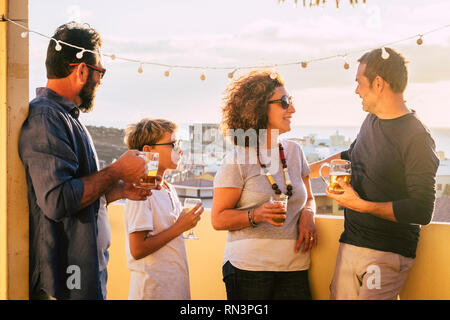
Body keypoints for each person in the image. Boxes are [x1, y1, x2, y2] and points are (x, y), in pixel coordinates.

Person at [19, 22, 154, 300]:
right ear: (81, 70)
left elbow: (78, 189)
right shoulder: (47, 119)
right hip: (67, 284)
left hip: (84, 276)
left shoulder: (63, 118)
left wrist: (116, 189)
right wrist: (117, 169)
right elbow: (57, 200)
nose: (100, 81)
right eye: (100, 72)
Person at [309, 47, 440, 300]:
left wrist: (361, 205)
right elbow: (351, 156)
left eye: (359, 83)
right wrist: (300, 170)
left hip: (386, 253)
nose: (356, 90)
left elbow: (421, 210)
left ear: (378, 83)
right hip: (350, 244)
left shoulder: (417, 137)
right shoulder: (371, 120)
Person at [211, 70, 317, 300]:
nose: (292, 109)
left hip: (294, 267)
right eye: (284, 103)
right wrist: (256, 215)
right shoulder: (238, 159)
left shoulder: (295, 151)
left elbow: (308, 197)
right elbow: (218, 219)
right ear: (259, 108)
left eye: (291, 102)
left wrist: (309, 213)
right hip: (248, 269)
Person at [123, 118, 204, 300]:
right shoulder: (140, 189)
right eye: (173, 144)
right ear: (148, 151)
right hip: (152, 291)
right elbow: (137, 249)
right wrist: (180, 227)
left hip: (174, 289)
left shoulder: (168, 187)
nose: (179, 150)